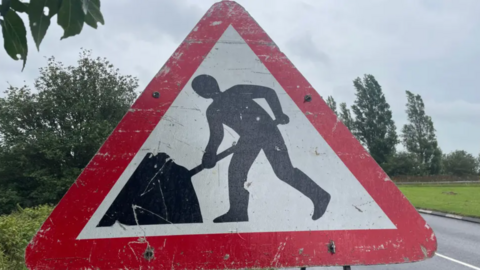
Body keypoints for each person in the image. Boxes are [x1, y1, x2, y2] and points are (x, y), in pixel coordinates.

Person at [192, 74, 331, 223]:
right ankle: (237, 212)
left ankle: (320, 196)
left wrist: (278, 114)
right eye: (202, 89)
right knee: (236, 172)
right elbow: (217, 135)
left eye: (204, 87)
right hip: (248, 140)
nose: (206, 91)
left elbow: (268, 92)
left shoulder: (236, 91)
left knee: (284, 172)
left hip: (268, 131)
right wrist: (210, 153)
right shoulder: (213, 110)